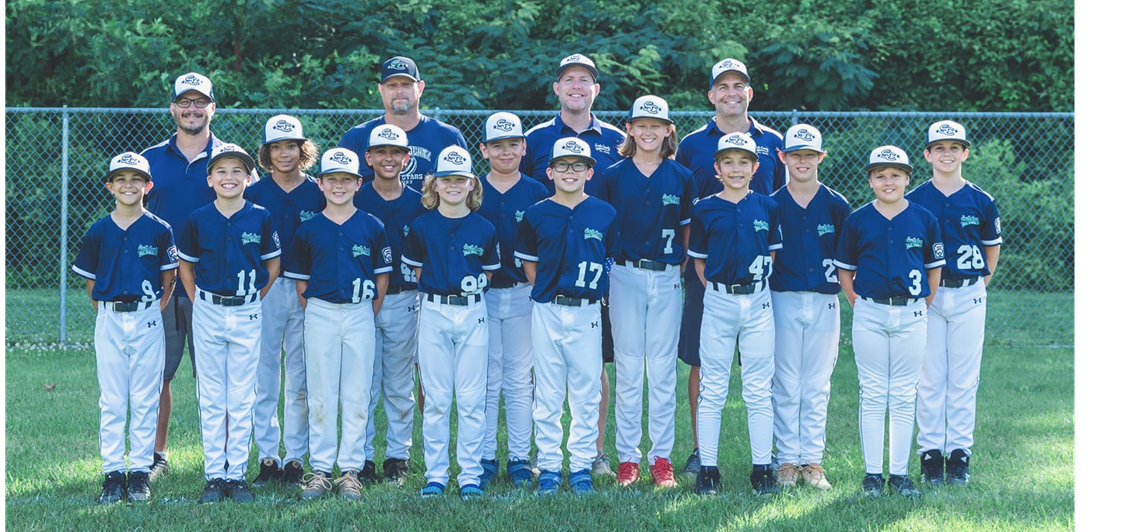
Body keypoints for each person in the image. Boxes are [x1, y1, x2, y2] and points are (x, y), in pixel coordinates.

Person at [674, 59, 784, 475]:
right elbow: (689, 209)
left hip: (757, 275)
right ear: (711, 95)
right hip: (709, 273)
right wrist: (701, 270)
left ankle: (765, 454)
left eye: (739, 85)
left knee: (761, 370)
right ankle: (703, 454)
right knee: (704, 365)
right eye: (723, 86)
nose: (731, 92)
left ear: (750, 93)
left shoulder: (772, 142)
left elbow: (776, 207)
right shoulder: (693, 144)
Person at [521, 53, 625, 477]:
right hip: (548, 286)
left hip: (589, 285)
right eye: (569, 79)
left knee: (589, 376)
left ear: (596, 88)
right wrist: (545, 279)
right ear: (557, 87)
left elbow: (613, 218)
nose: (577, 85)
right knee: (543, 381)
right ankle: (545, 460)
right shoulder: (537, 137)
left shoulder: (618, 138)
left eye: (585, 79)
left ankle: (590, 456)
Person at [834, 145, 945, 498]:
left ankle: (898, 474)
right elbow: (845, 270)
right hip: (870, 310)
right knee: (873, 392)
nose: (888, 181)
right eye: (880, 175)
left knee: (902, 393)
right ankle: (872, 474)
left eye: (895, 174)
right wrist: (859, 303)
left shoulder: (925, 218)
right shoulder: (858, 219)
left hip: (912, 312)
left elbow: (934, 270)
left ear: (908, 179)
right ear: (869, 180)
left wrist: (918, 305)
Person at [285, 148, 392, 501]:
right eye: (332, 179)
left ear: (358, 183)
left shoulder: (372, 225)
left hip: (361, 311)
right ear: (320, 183)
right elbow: (302, 284)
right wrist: (319, 308)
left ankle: (351, 469)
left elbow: (381, 279)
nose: (339, 186)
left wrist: (365, 312)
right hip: (320, 311)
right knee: (320, 392)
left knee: (358, 393)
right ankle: (320, 469)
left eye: (346, 179)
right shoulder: (309, 229)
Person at [599, 96, 695, 489]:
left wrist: (677, 269)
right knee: (627, 366)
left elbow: (687, 233)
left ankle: (661, 458)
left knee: (661, 369)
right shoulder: (612, 175)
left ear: (669, 129)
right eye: (641, 124)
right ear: (630, 129)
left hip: (667, 274)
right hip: (625, 274)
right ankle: (627, 458)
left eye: (657, 124)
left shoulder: (681, 176)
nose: (649, 130)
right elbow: (601, 230)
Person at [177, 144, 281, 504]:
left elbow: (272, 266)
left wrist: (252, 298)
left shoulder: (261, 216)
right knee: (211, 393)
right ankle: (213, 475)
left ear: (249, 178)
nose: (229, 177)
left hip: (247, 310)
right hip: (207, 308)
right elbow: (186, 267)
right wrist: (198, 301)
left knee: (241, 394)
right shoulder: (198, 218)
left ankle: (235, 475)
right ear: (210, 179)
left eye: (238, 171)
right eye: (221, 171)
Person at [74, 153, 178, 504]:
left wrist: (147, 311)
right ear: (110, 186)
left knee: (146, 397)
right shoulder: (99, 230)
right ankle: (112, 473)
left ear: (148, 186)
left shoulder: (160, 229)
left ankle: (139, 473)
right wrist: (111, 310)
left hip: (147, 315)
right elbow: (91, 284)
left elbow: (169, 278)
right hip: (110, 317)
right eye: (120, 179)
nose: (128, 185)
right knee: (113, 398)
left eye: (136, 179)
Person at [141, 72, 231, 477]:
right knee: (157, 373)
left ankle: (224, 458)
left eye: (201, 102)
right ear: (173, 107)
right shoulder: (151, 160)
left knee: (218, 376)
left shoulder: (231, 158)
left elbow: (253, 213)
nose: (192, 109)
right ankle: (155, 454)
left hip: (214, 284)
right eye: (185, 101)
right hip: (160, 285)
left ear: (213, 107)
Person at [687, 133, 783, 496]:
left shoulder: (768, 206)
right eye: (729, 162)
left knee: (758, 389)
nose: (737, 168)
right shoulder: (705, 208)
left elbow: (771, 254)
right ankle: (708, 469)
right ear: (717, 168)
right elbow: (698, 260)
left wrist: (750, 287)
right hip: (719, 300)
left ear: (755, 167)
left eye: (744, 162)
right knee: (713, 387)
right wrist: (718, 289)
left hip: (758, 302)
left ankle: (762, 469)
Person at [402, 146, 500, 499]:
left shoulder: (485, 228)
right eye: (447, 179)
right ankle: (437, 475)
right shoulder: (421, 226)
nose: (454, 185)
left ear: (473, 184)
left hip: (473, 311)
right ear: (435, 185)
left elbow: (488, 272)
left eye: (461, 179)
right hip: (435, 309)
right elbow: (417, 269)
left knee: (472, 399)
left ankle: (470, 475)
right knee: (438, 398)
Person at [908, 121, 1002, 487]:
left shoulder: (981, 199)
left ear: (965, 153)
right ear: (928, 154)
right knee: (929, 378)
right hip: (928, 296)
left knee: (963, 379)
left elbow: (991, 248)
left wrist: (977, 283)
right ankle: (931, 454)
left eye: (954, 147)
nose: (947, 153)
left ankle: (960, 453)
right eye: (939, 147)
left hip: (967, 292)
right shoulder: (915, 198)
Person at [769, 124, 851, 490]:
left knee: (816, 383)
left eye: (810, 155)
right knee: (785, 382)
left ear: (821, 157)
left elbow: (850, 259)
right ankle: (786, 460)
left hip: (824, 299)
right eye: (795, 154)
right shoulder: (771, 204)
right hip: (781, 298)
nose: (802, 161)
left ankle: (813, 462)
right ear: (782, 157)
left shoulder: (836, 204)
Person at [245, 115, 323, 487]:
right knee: (264, 376)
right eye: (275, 147)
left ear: (302, 149)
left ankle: (294, 458)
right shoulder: (256, 193)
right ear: (266, 152)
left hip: (307, 290)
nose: (284, 153)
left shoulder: (318, 191)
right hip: (268, 289)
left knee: (300, 377)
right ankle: (268, 457)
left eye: (291, 145)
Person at [473, 112, 549, 489]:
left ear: (523, 146)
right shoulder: (471, 190)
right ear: (484, 149)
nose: (506, 151)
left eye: (513, 144)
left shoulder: (537, 191)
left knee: (520, 380)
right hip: (480, 297)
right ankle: (486, 457)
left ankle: (520, 457)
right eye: (497, 145)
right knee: (487, 379)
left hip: (522, 294)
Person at [353, 124, 428, 485]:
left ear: (406, 158)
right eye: (380, 152)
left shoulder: (419, 202)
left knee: (399, 383)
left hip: (403, 297)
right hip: (359, 300)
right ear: (368, 158)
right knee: (363, 383)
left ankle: (397, 456)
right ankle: (362, 457)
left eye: (395, 152)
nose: (388, 158)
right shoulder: (354, 196)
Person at [338, 56, 467, 191]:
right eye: (392, 85)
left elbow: (466, 189)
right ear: (381, 90)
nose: (399, 91)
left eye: (406, 84)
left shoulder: (448, 136)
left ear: (420, 87)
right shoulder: (355, 138)